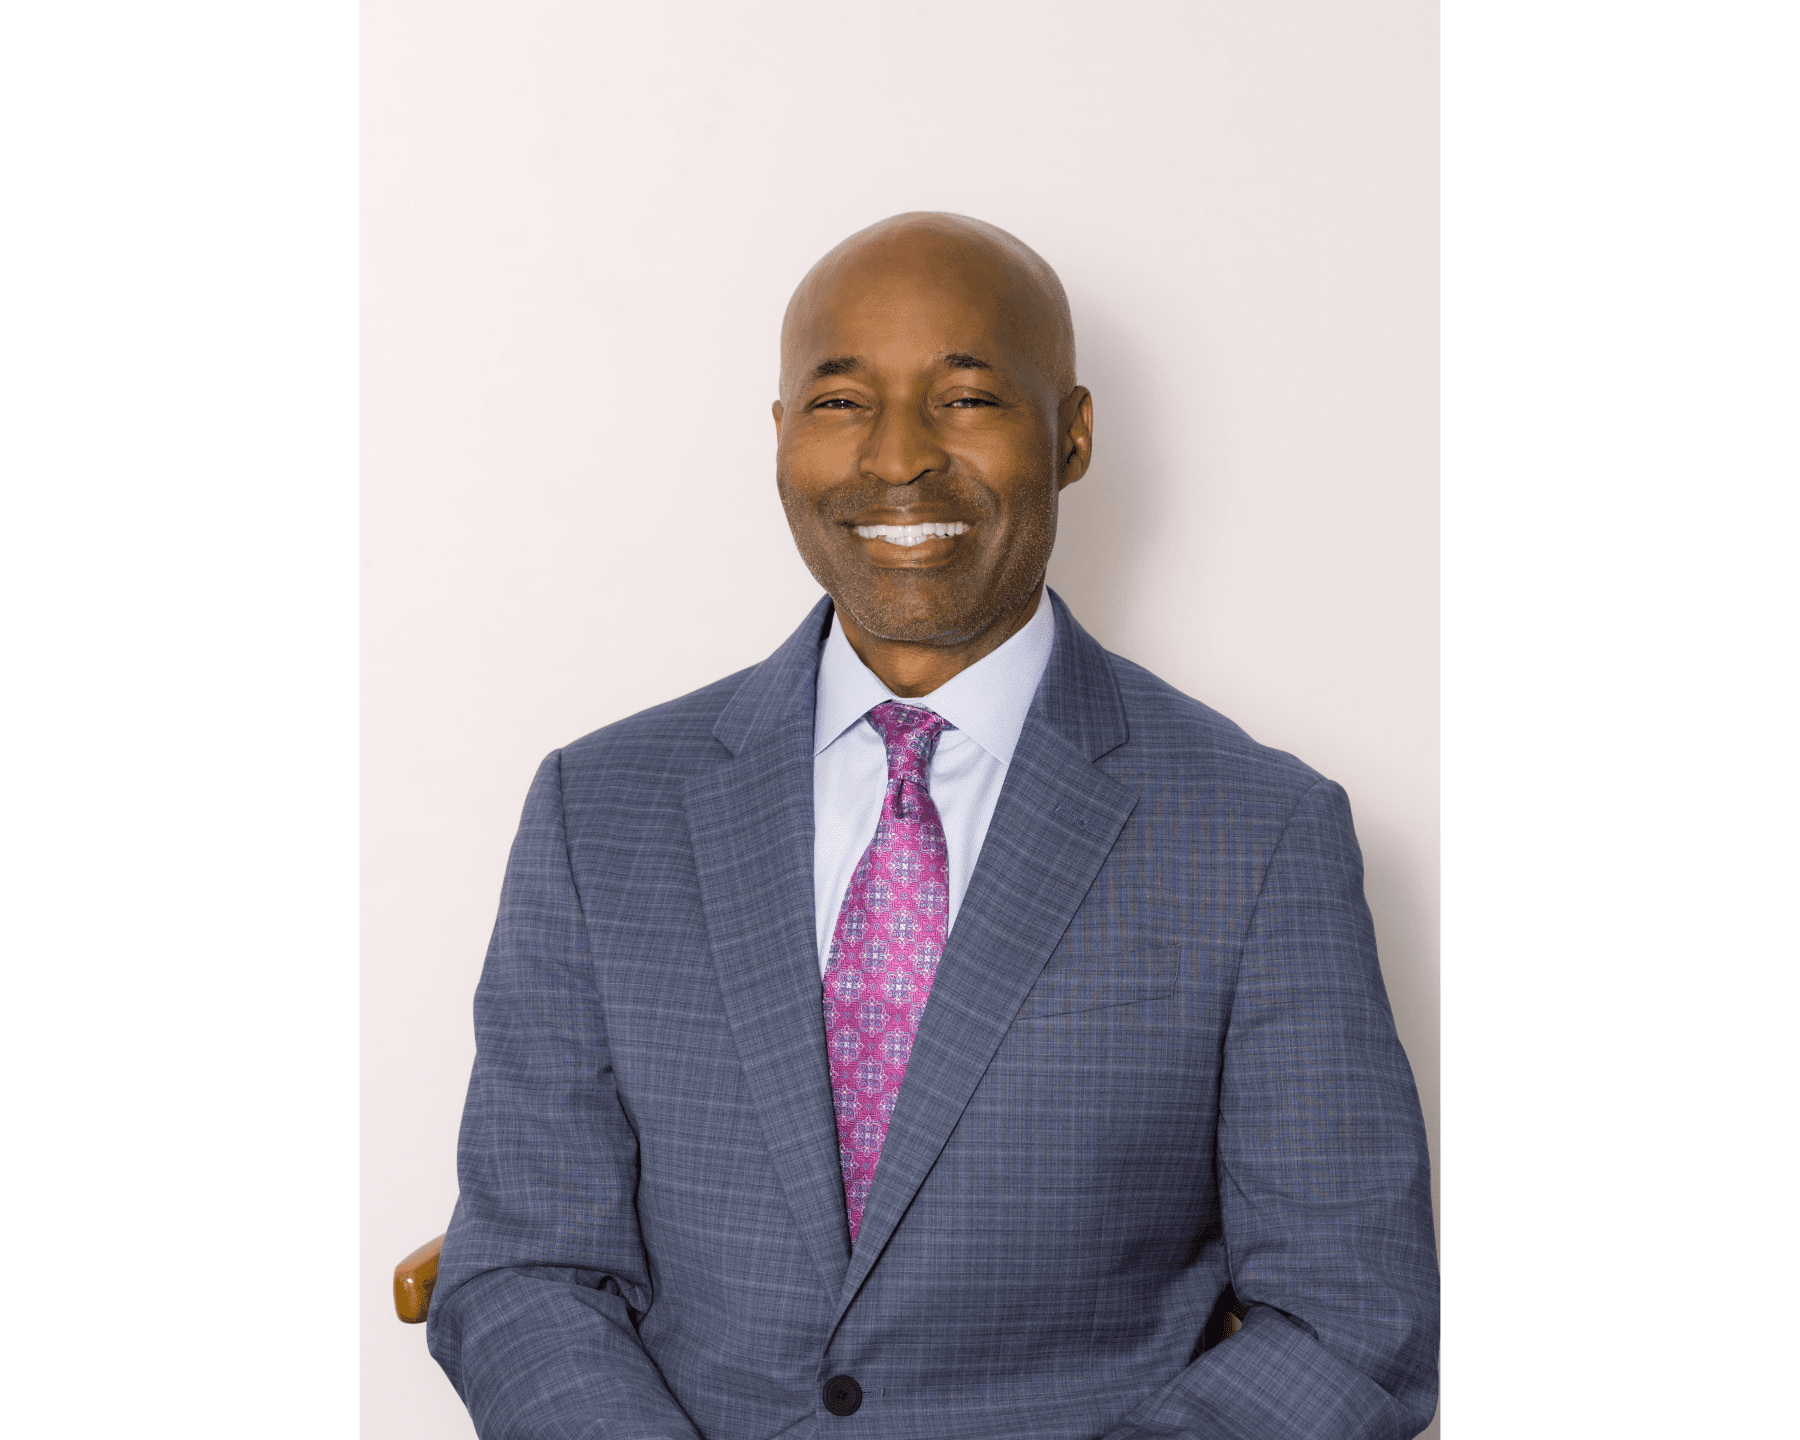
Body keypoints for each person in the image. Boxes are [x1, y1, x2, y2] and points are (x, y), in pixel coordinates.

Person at [426, 212, 1440, 1439]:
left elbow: (1353, 1320)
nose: (898, 459)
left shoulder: (1262, 833)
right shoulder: (601, 810)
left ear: (1071, 436)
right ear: (781, 437)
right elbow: (524, 1266)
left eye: (966, 399)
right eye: (840, 402)